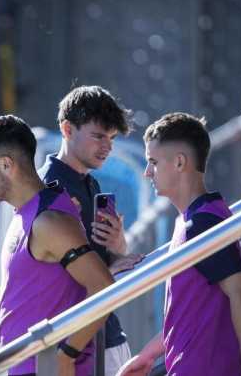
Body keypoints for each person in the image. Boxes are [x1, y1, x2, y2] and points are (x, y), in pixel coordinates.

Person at [0, 115, 114, 375]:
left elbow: (103, 286)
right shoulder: (29, 211)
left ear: (6, 165)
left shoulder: (48, 221)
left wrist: (66, 355)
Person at [117, 113, 241, 376]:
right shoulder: (190, 220)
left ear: (180, 162)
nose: (147, 172)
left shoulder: (203, 223)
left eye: (153, 162)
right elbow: (190, 312)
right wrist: (148, 354)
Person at [38, 85, 141, 376]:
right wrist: (108, 271)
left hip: (103, 331)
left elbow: (97, 260)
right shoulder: (48, 189)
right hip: (75, 343)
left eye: (112, 138)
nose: (107, 146)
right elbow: (52, 273)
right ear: (67, 129)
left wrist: (118, 246)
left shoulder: (89, 182)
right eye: (98, 136)